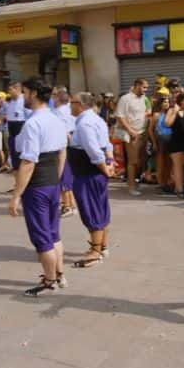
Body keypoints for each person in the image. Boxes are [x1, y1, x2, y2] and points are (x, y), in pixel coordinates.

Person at [8, 78, 69, 297]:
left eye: (24, 92)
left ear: (33, 93)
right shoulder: (56, 119)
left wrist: (16, 195)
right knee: (53, 234)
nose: (22, 96)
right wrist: (57, 179)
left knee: (42, 239)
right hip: (52, 182)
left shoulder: (33, 123)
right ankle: (59, 274)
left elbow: (28, 161)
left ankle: (50, 280)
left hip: (37, 186)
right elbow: (62, 152)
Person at [69, 92, 115, 267]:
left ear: (80, 104)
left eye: (72, 102)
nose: (69, 106)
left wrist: (105, 168)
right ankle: (101, 246)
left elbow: (94, 151)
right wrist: (109, 162)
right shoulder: (97, 120)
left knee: (92, 210)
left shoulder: (85, 124)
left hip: (88, 173)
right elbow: (107, 145)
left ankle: (96, 252)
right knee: (100, 209)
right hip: (93, 172)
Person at [115, 79, 150, 196]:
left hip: (143, 133)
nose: (146, 90)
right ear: (137, 86)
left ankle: (135, 181)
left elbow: (147, 112)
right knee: (133, 161)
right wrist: (130, 131)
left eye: (146, 88)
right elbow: (120, 116)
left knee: (141, 160)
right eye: (144, 87)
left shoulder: (145, 99)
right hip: (131, 134)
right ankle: (131, 186)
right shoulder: (125, 99)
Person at [52, 87, 78, 218]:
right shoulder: (69, 109)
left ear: (57, 98)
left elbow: (62, 129)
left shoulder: (57, 112)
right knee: (67, 174)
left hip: (62, 143)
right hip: (71, 141)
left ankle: (67, 205)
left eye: (54, 96)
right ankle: (71, 205)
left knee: (63, 174)